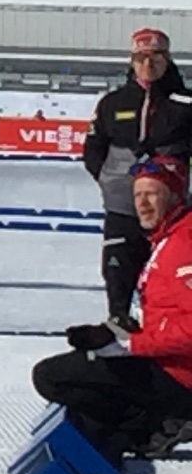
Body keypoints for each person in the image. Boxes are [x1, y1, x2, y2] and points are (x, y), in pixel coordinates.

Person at [35, 152, 192, 460]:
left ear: (175, 196)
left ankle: (151, 425)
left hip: (179, 374)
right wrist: (107, 335)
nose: (142, 203)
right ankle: (143, 427)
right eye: (137, 195)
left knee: (51, 376)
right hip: (164, 362)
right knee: (79, 363)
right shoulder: (167, 238)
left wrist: (131, 345)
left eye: (152, 194)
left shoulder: (185, 244)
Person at [82, 27, 192, 328]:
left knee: (176, 264)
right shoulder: (113, 102)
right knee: (118, 262)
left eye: (156, 56)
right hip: (123, 203)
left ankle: (173, 320)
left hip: (175, 208)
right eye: (141, 57)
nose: (149, 63)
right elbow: (93, 147)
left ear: (168, 60)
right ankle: (118, 317)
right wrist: (108, 180)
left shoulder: (186, 102)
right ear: (132, 61)